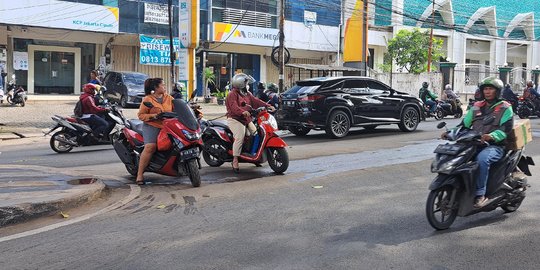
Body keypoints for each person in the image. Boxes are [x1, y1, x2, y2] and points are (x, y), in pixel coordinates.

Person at [441, 77, 513, 208]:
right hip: (474, 144)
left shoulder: (505, 108)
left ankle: (481, 194)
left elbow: (505, 130)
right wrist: (450, 133)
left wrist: (491, 136)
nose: (487, 91)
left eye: (490, 89)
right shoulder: (476, 106)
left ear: (497, 91)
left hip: (495, 146)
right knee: (456, 157)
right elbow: (464, 125)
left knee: (482, 159)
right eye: (485, 88)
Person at [225, 73, 275, 173]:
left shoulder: (247, 93)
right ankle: (235, 160)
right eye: (245, 82)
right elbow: (234, 107)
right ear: (240, 83)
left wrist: (267, 105)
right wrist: (242, 112)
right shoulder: (232, 94)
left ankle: (254, 154)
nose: (247, 84)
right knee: (240, 136)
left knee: (257, 133)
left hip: (246, 119)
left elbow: (256, 101)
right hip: (235, 119)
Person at [136, 78, 174, 185]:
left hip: (167, 126)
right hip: (152, 125)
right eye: (162, 85)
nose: (165, 87)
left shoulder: (169, 98)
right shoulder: (148, 99)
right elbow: (141, 115)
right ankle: (139, 174)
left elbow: (179, 107)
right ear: (156, 88)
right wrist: (154, 116)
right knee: (150, 147)